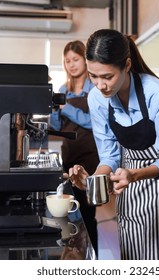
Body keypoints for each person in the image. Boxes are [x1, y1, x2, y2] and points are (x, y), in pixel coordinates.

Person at [68, 29, 159, 260]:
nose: (100, 85)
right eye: (93, 76)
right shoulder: (97, 98)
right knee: (129, 253)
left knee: (157, 256)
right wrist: (94, 179)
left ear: (127, 65)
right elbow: (109, 155)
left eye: (107, 77)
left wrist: (134, 175)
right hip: (126, 187)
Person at [49, 40, 100, 255]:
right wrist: (52, 106)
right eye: (67, 61)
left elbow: (92, 122)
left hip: (90, 156)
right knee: (70, 213)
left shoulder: (95, 89)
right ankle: (73, 255)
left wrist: (66, 107)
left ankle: (92, 254)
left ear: (86, 60)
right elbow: (57, 126)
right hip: (69, 154)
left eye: (75, 60)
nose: (71, 64)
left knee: (88, 212)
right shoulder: (63, 89)